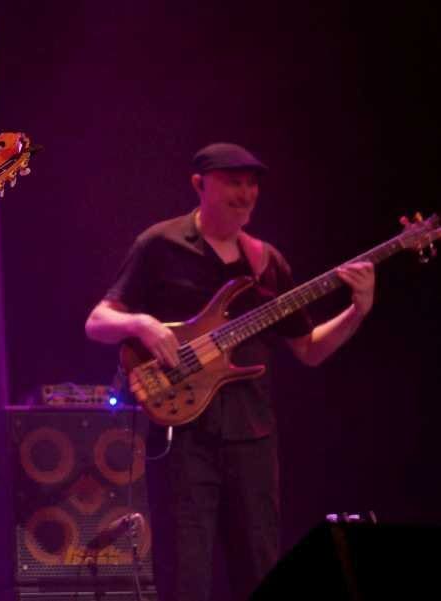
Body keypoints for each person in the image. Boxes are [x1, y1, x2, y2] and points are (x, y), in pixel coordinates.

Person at [84, 143, 375, 601]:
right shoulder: (159, 244)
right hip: (183, 439)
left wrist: (357, 311)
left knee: (260, 569)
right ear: (199, 185)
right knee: (187, 577)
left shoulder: (266, 262)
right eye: (234, 183)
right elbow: (97, 322)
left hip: (252, 436)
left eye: (252, 184)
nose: (246, 194)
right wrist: (142, 324)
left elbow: (309, 350)